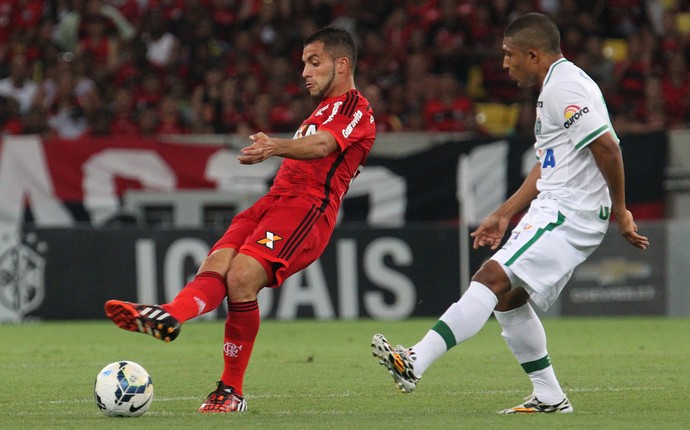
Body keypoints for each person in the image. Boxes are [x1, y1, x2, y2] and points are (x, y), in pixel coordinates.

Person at [372, 12, 649, 415]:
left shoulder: (564, 88)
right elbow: (551, 163)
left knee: (490, 278)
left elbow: (607, 147)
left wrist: (622, 210)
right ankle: (550, 397)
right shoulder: (556, 86)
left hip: (570, 211)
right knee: (508, 299)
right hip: (561, 207)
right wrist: (504, 213)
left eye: (509, 55)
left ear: (533, 55)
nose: (504, 64)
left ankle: (415, 360)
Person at [104, 26, 375, 413]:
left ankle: (231, 391)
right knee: (215, 262)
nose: (304, 72)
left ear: (342, 64)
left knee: (243, 276)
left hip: (307, 209)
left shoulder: (355, 109)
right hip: (273, 201)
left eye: (314, 63)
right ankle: (169, 314)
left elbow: (323, 146)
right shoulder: (321, 110)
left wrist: (274, 146)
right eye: (303, 63)